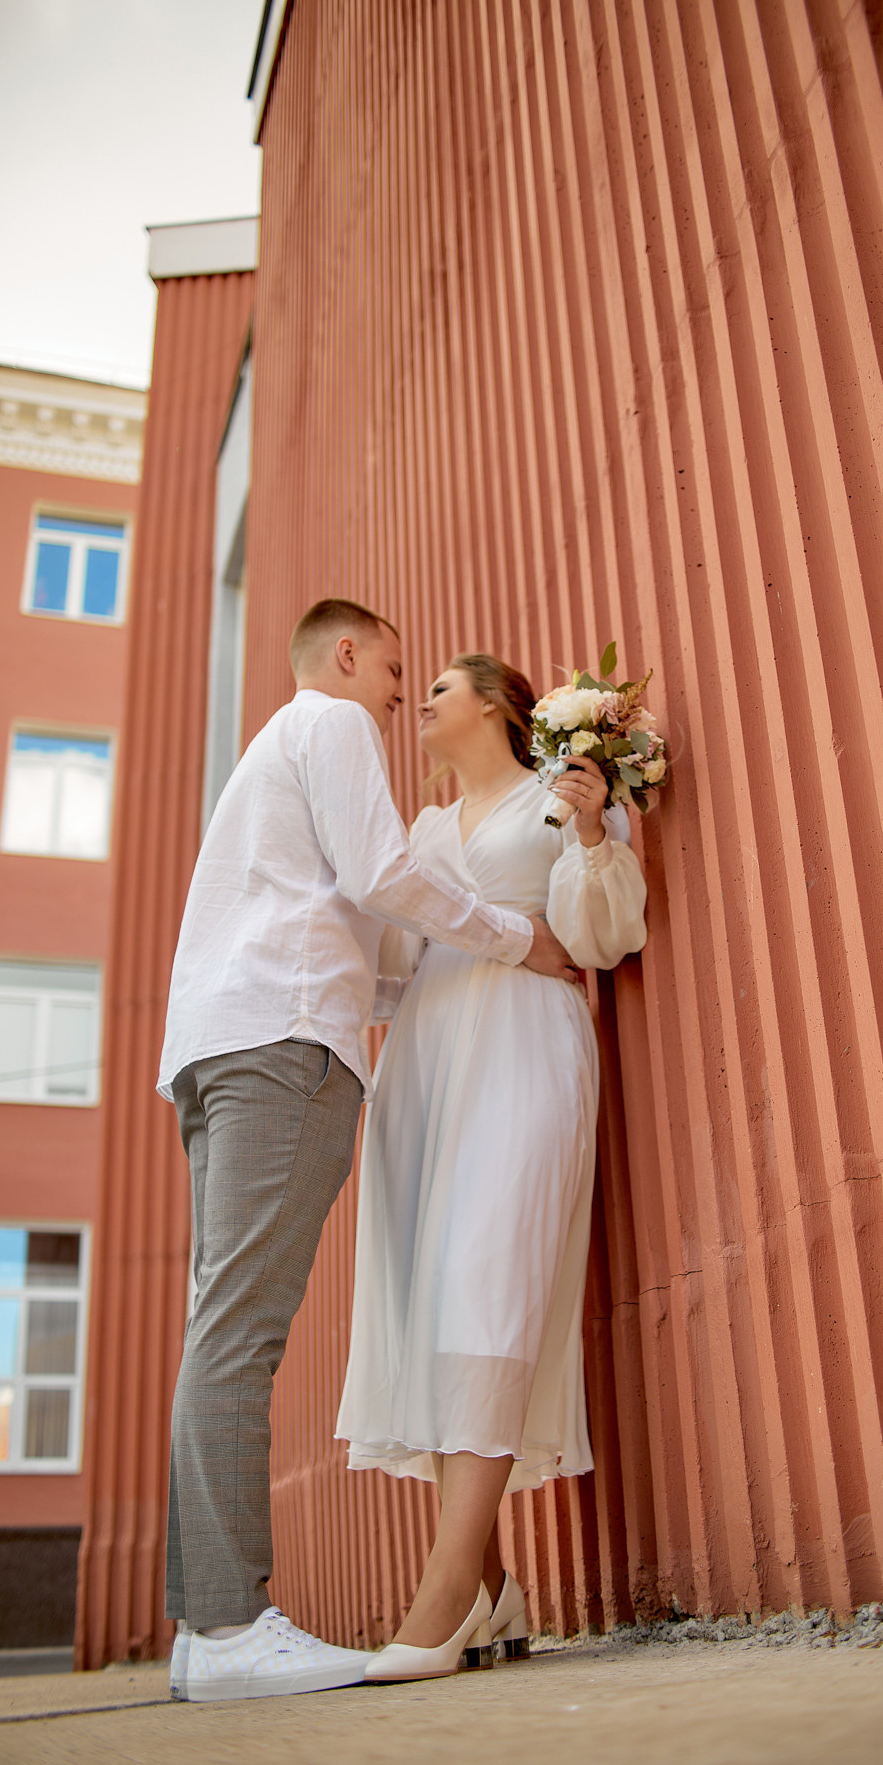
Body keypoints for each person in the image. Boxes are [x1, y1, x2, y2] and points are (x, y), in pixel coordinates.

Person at [158, 602, 576, 1704]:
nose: (399, 694)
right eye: (394, 669)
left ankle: (207, 1630)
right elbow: (382, 874)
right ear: (346, 656)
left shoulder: (269, 751)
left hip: (217, 1047)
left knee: (220, 1324)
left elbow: (376, 951)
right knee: (239, 1333)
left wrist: (460, 969)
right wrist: (515, 939)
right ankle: (228, 1627)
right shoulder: (332, 724)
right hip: (283, 1042)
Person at [335, 653, 648, 1681]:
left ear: (497, 706)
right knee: (434, 1307)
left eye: (438, 688)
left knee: (490, 1285)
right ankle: (489, 1588)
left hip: (523, 1044)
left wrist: (593, 832)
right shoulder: (421, 831)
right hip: (423, 1066)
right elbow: (387, 965)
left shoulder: (556, 796)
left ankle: (442, 1592)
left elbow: (599, 939)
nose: (420, 702)